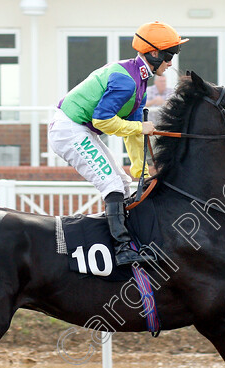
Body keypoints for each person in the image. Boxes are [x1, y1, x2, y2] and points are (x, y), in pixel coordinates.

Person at [48, 21, 188, 266]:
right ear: (154, 53)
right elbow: (102, 120)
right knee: (111, 183)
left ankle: (127, 242)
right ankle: (121, 248)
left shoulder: (141, 82)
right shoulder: (127, 81)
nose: (171, 62)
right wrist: (138, 127)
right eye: (169, 56)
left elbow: (133, 135)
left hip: (80, 129)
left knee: (124, 183)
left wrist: (142, 173)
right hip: (68, 128)